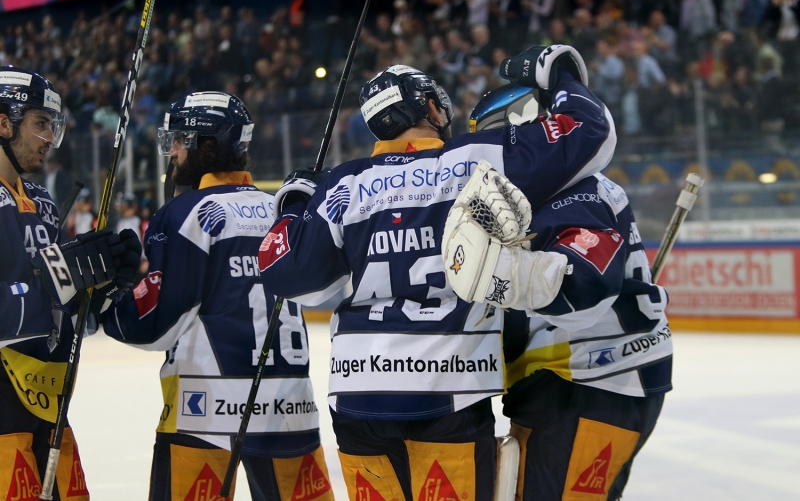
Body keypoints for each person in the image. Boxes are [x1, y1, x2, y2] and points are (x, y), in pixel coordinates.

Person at [258, 46, 615, 501]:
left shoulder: (342, 184)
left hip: (358, 397)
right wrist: (561, 75)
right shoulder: (475, 156)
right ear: (429, 106)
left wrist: (293, 207)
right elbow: (589, 132)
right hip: (450, 394)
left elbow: (295, 280)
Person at [454, 50, 672, 501]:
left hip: (587, 381)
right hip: (595, 381)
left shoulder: (568, 188)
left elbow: (585, 287)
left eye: (498, 140)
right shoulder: (578, 185)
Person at [101, 91, 332, 501]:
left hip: (204, 415)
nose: (172, 151)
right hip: (291, 410)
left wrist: (108, 300)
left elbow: (152, 326)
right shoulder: (278, 210)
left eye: (180, 140)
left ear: (207, 146)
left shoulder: (186, 213)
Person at [0, 66, 140, 500]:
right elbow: (43, 292)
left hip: (46, 408)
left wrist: (103, 284)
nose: (50, 138)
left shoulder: (41, 201)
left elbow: (70, 308)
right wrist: (49, 289)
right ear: (3, 122)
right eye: (41, 123)